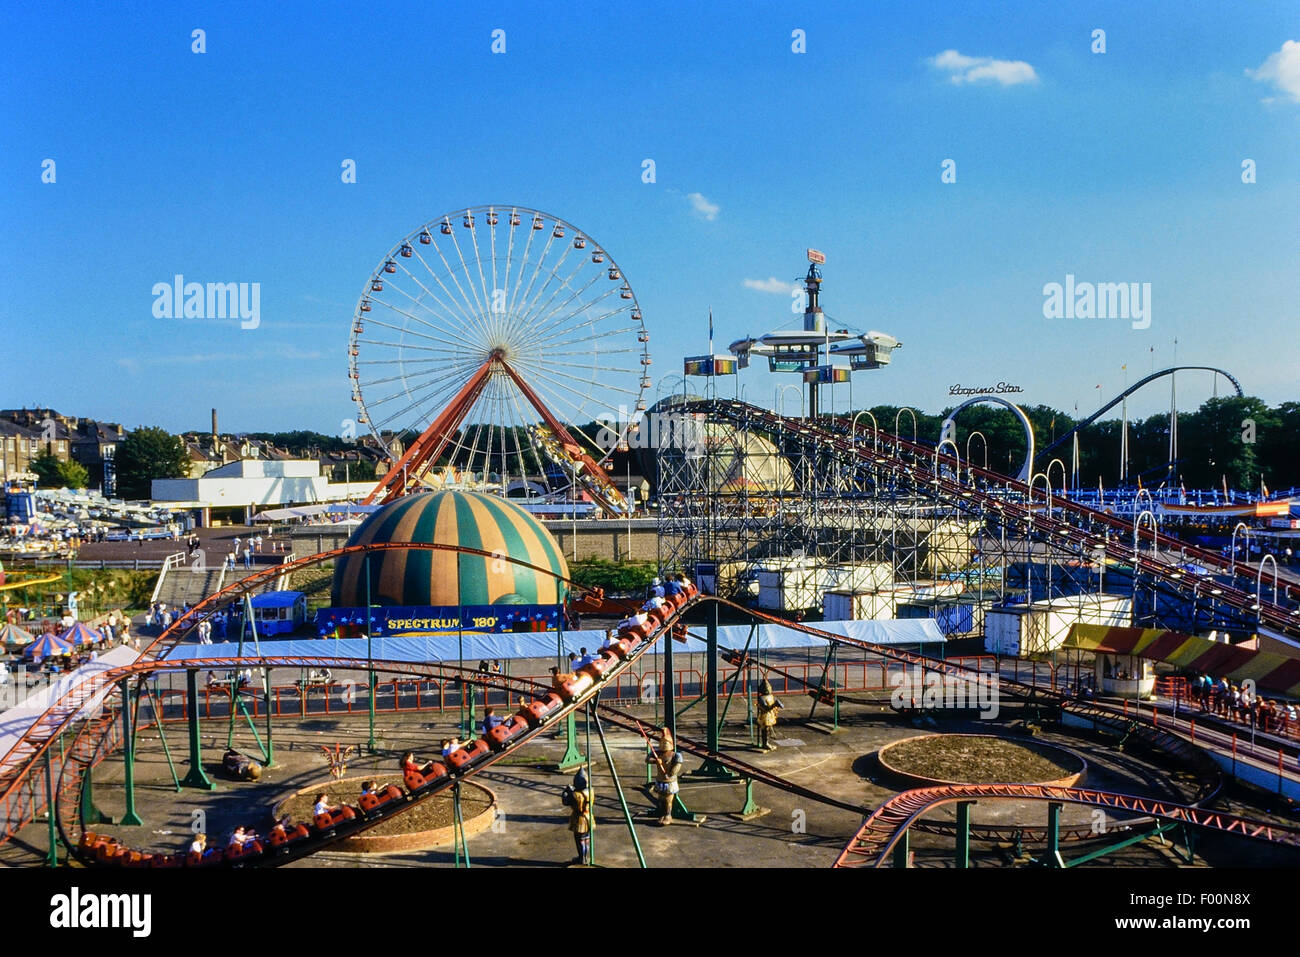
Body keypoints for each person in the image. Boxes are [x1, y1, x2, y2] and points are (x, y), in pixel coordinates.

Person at [646, 728, 684, 826]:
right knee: (661, 799)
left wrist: (671, 773)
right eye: (662, 743)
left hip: (669, 781)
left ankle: (668, 815)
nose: (663, 745)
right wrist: (655, 761)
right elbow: (647, 759)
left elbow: (677, 766)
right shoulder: (657, 753)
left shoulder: (675, 755)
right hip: (660, 780)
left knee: (668, 800)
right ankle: (662, 814)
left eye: (666, 743)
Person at [562, 768, 594, 865]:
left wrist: (566, 792)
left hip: (579, 818)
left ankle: (581, 858)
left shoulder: (576, 795)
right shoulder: (591, 791)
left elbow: (566, 802)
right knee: (586, 838)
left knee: (579, 839)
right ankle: (584, 856)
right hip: (588, 816)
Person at [755, 678, 784, 751]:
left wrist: (778, 704)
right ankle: (765, 743)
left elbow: (778, 704)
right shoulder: (761, 698)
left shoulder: (771, 696)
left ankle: (766, 743)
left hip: (770, 715)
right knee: (765, 730)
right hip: (765, 716)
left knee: (767, 730)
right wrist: (774, 705)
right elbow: (765, 708)